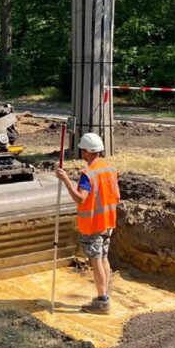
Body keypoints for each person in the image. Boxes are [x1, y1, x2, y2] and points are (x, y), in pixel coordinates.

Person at [55, 132, 120, 314]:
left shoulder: (87, 174)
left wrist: (66, 179)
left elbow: (80, 199)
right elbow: (115, 195)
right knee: (104, 257)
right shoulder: (110, 169)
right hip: (108, 222)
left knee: (96, 260)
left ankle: (102, 301)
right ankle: (104, 295)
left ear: (85, 151)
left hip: (93, 225)